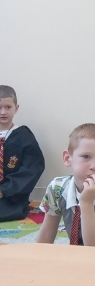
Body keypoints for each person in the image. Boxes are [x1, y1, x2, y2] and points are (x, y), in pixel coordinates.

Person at [36, 123, 95, 247]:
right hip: (85, 243)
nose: (94, 166)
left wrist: (86, 202)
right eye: (86, 156)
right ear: (67, 158)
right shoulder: (57, 188)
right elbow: (46, 233)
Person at [0, 85, 45, 223]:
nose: (3, 112)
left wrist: (4, 190)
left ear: (16, 108)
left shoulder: (24, 137)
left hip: (11, 195)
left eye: (8, 107)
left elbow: (32, 168)